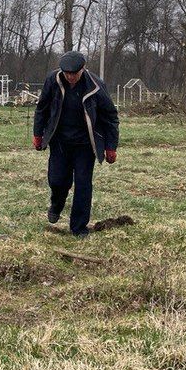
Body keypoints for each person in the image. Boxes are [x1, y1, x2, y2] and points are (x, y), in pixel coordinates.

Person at [33, 51, 120, 238]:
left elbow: (110, 116)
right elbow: (42, 108)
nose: (70, 77)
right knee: (57, 180)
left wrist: (111, 146)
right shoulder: (53, 81)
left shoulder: (96, 86)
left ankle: (79, 227)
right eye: (67, 73)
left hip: (85, 144)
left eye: (74, 73)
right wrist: (38, 134)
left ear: (83, 68)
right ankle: (57, 203)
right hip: (60, 141)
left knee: (83, 184)